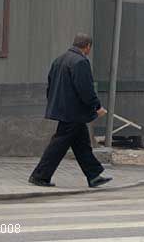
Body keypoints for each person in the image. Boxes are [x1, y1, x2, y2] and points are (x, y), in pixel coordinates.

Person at [29, 33, 112, 188]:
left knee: (82, 145)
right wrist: (97, 106)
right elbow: (85, 89)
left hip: (64, 110)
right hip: (73, 112)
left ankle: (94, 176)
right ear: (87, 46)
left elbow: (50, 86)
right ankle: (39, 176)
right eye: (89, 48)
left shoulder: (59, 60)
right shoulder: (80, 62)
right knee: (58, 145)